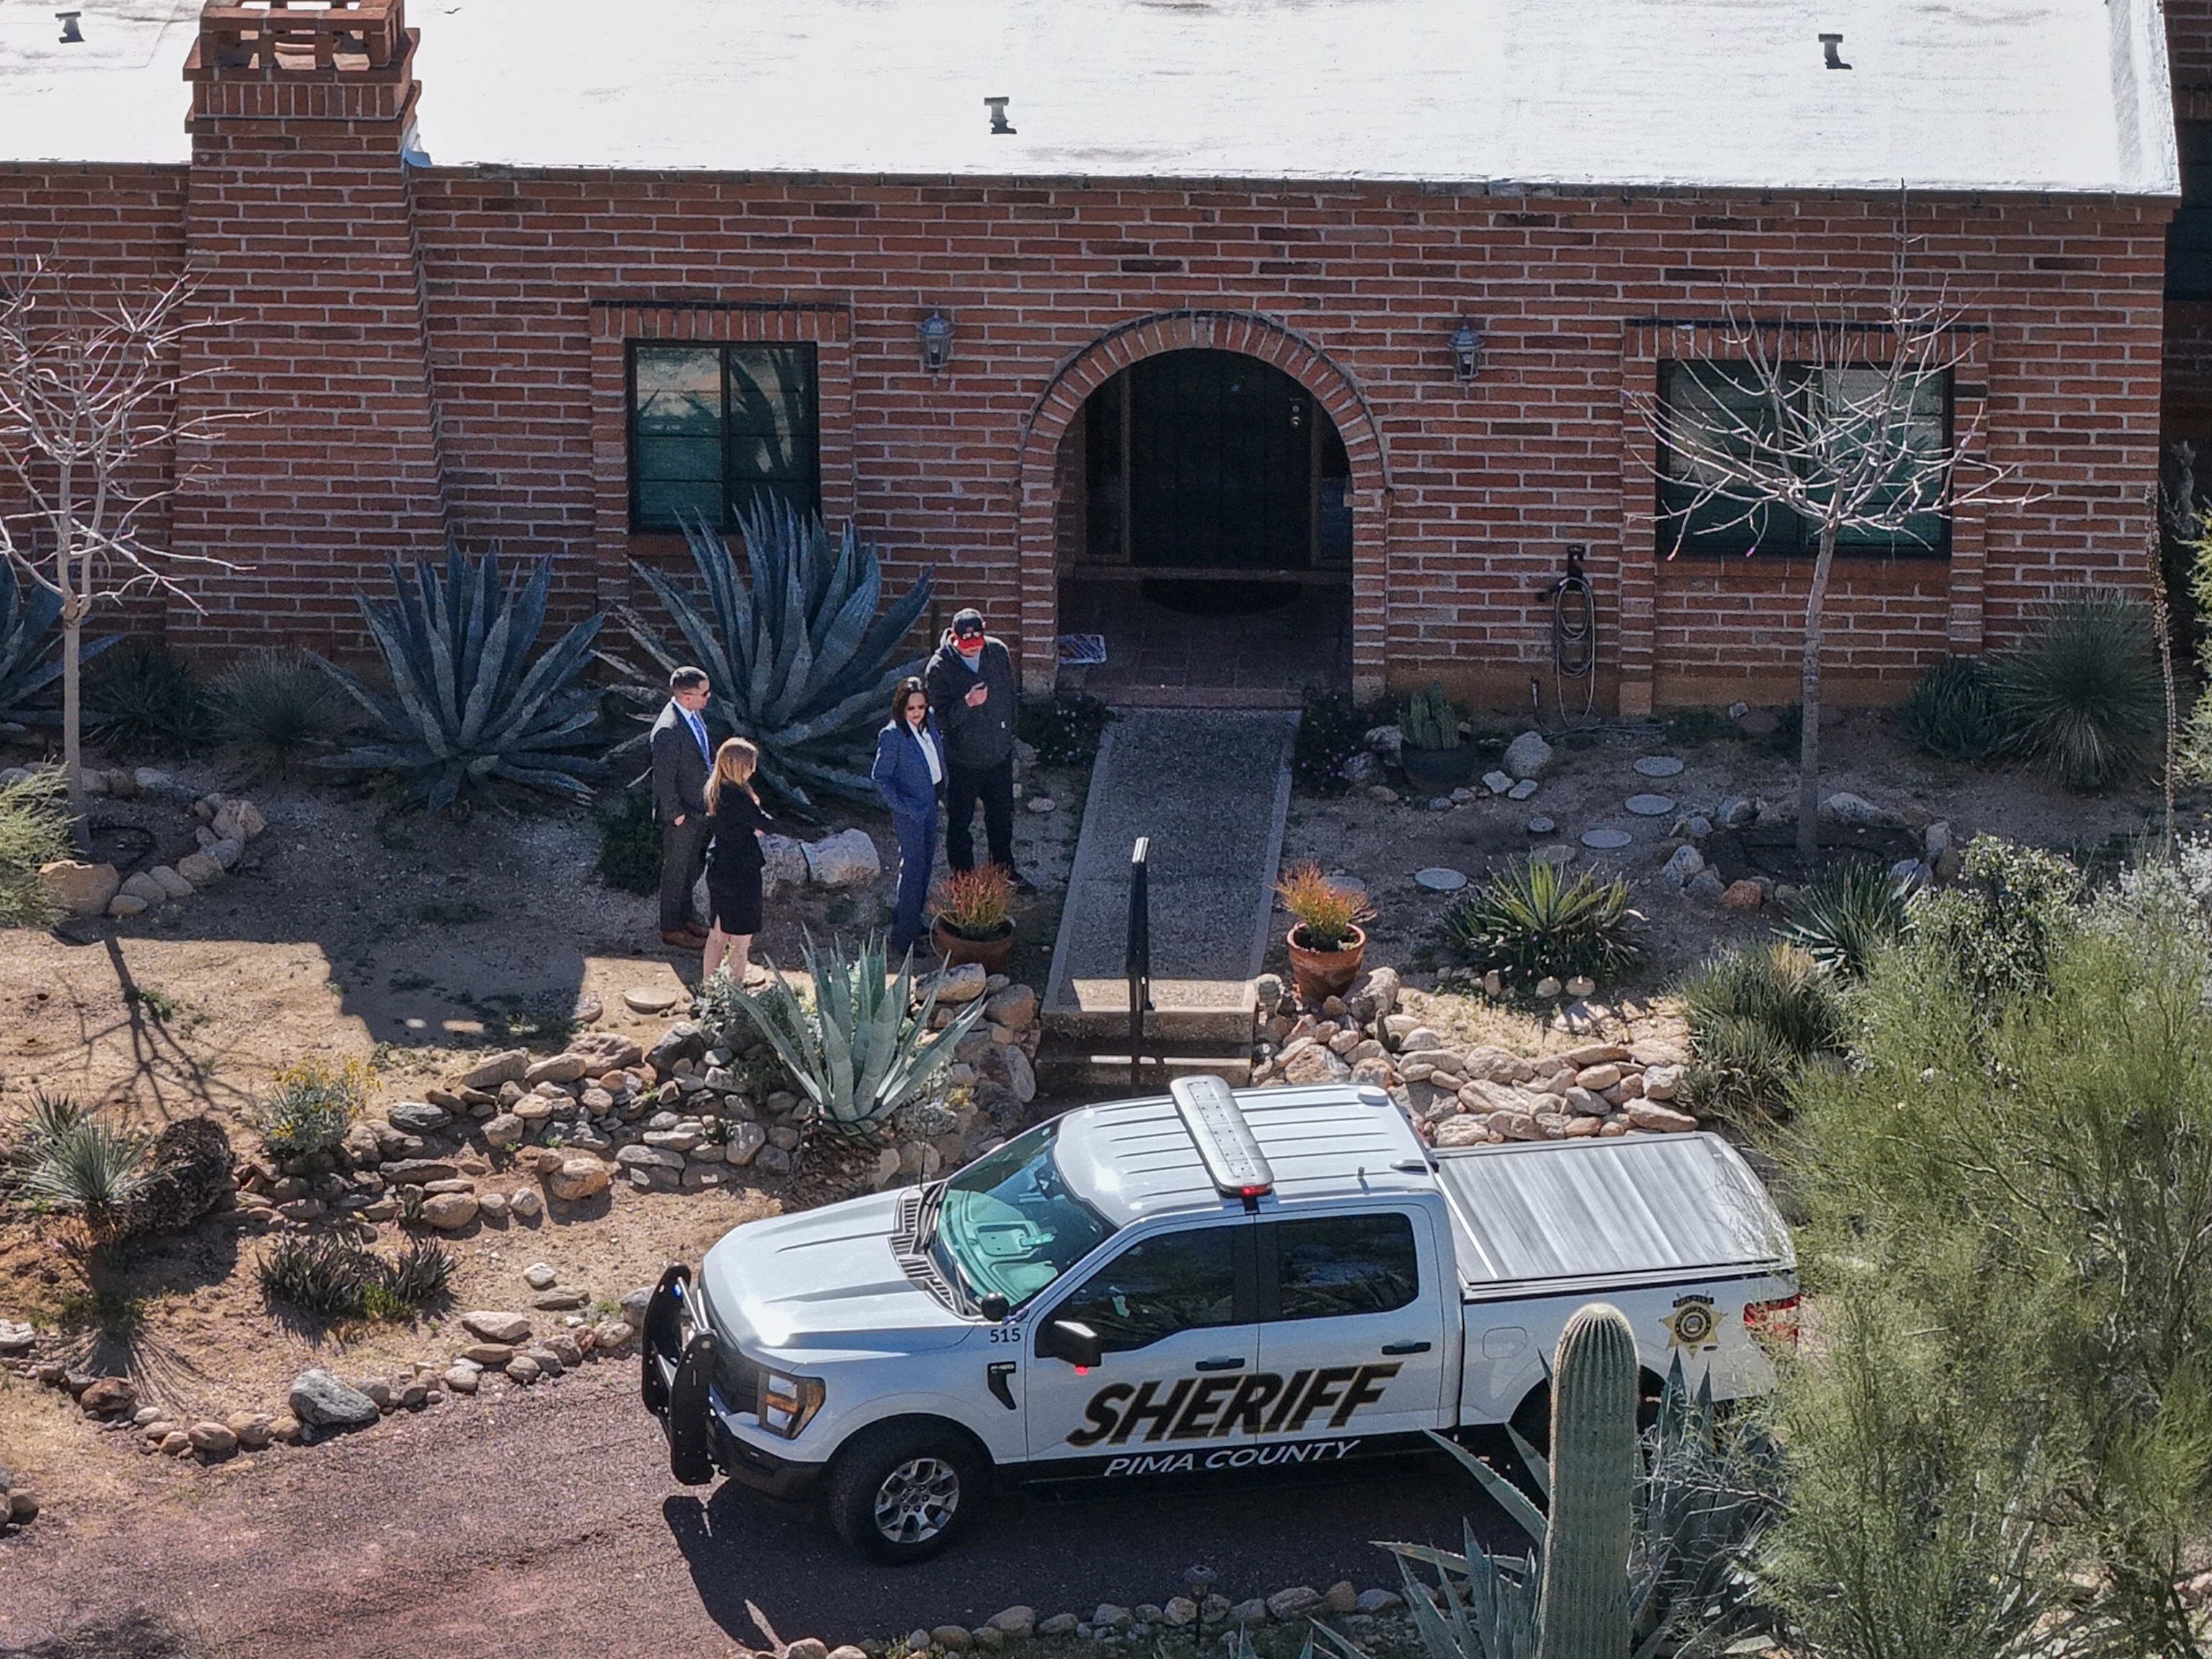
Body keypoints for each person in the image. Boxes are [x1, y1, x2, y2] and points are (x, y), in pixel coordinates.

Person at [924, 606, 1032, 889]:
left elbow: (1009, 697)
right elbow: (939, 720)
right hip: (962, 762)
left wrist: (1010, 737)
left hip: (999, 756)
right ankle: (963, 882)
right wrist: (967, 703)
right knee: (960, 825)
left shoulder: (997, 652)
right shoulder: (940, 668)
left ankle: (1004, 873)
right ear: (954, 636)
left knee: (1002, 821)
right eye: (965, 642)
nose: (972, 648)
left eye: (977, 641)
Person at [871, 675, 945, 959]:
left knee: (924, 867)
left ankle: (914, 921)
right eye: (911, 708)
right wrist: (903, 807)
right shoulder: (892, 736)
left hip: (929, 806)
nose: (917, 713)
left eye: (921, 707)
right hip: (911, 812)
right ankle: (903, 937)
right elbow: (881, 777)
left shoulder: (929, 722)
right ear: (901, 707)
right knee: (913, 870)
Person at [649, 665, 714, 948]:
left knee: (690, 867)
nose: (709, 697)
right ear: (687, 696)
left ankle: (686, 919)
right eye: (705, 693)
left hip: (699, 809)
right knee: (676, 870)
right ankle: (671, 928)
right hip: (683, 815)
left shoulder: (694, 715)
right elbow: (663, 779)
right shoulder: (668, 730)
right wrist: (676, 815)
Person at [701, 737, 773, 984]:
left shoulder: (715, 791)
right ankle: (734, 995)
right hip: (742, 872)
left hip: (719, 867)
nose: (753, 770)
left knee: (717, 935)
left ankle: (709, 992)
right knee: (741, 940)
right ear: (741, 766)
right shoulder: (738, 797)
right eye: (751, 765)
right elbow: (765, 824)